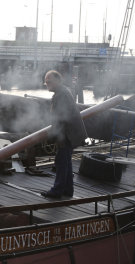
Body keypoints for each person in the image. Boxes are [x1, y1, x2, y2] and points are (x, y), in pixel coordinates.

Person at [41, 70, 87, 199]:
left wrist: (56, 136)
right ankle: (68, 189)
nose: (47, 84)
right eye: (46, 82)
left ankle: (57, 190)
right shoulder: (62, 92)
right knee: (66, 161)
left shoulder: (61, 95)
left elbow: (62, 118)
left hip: (68, 133)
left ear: (57, 81)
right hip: (71, 132)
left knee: (61, 161)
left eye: (49, 81)